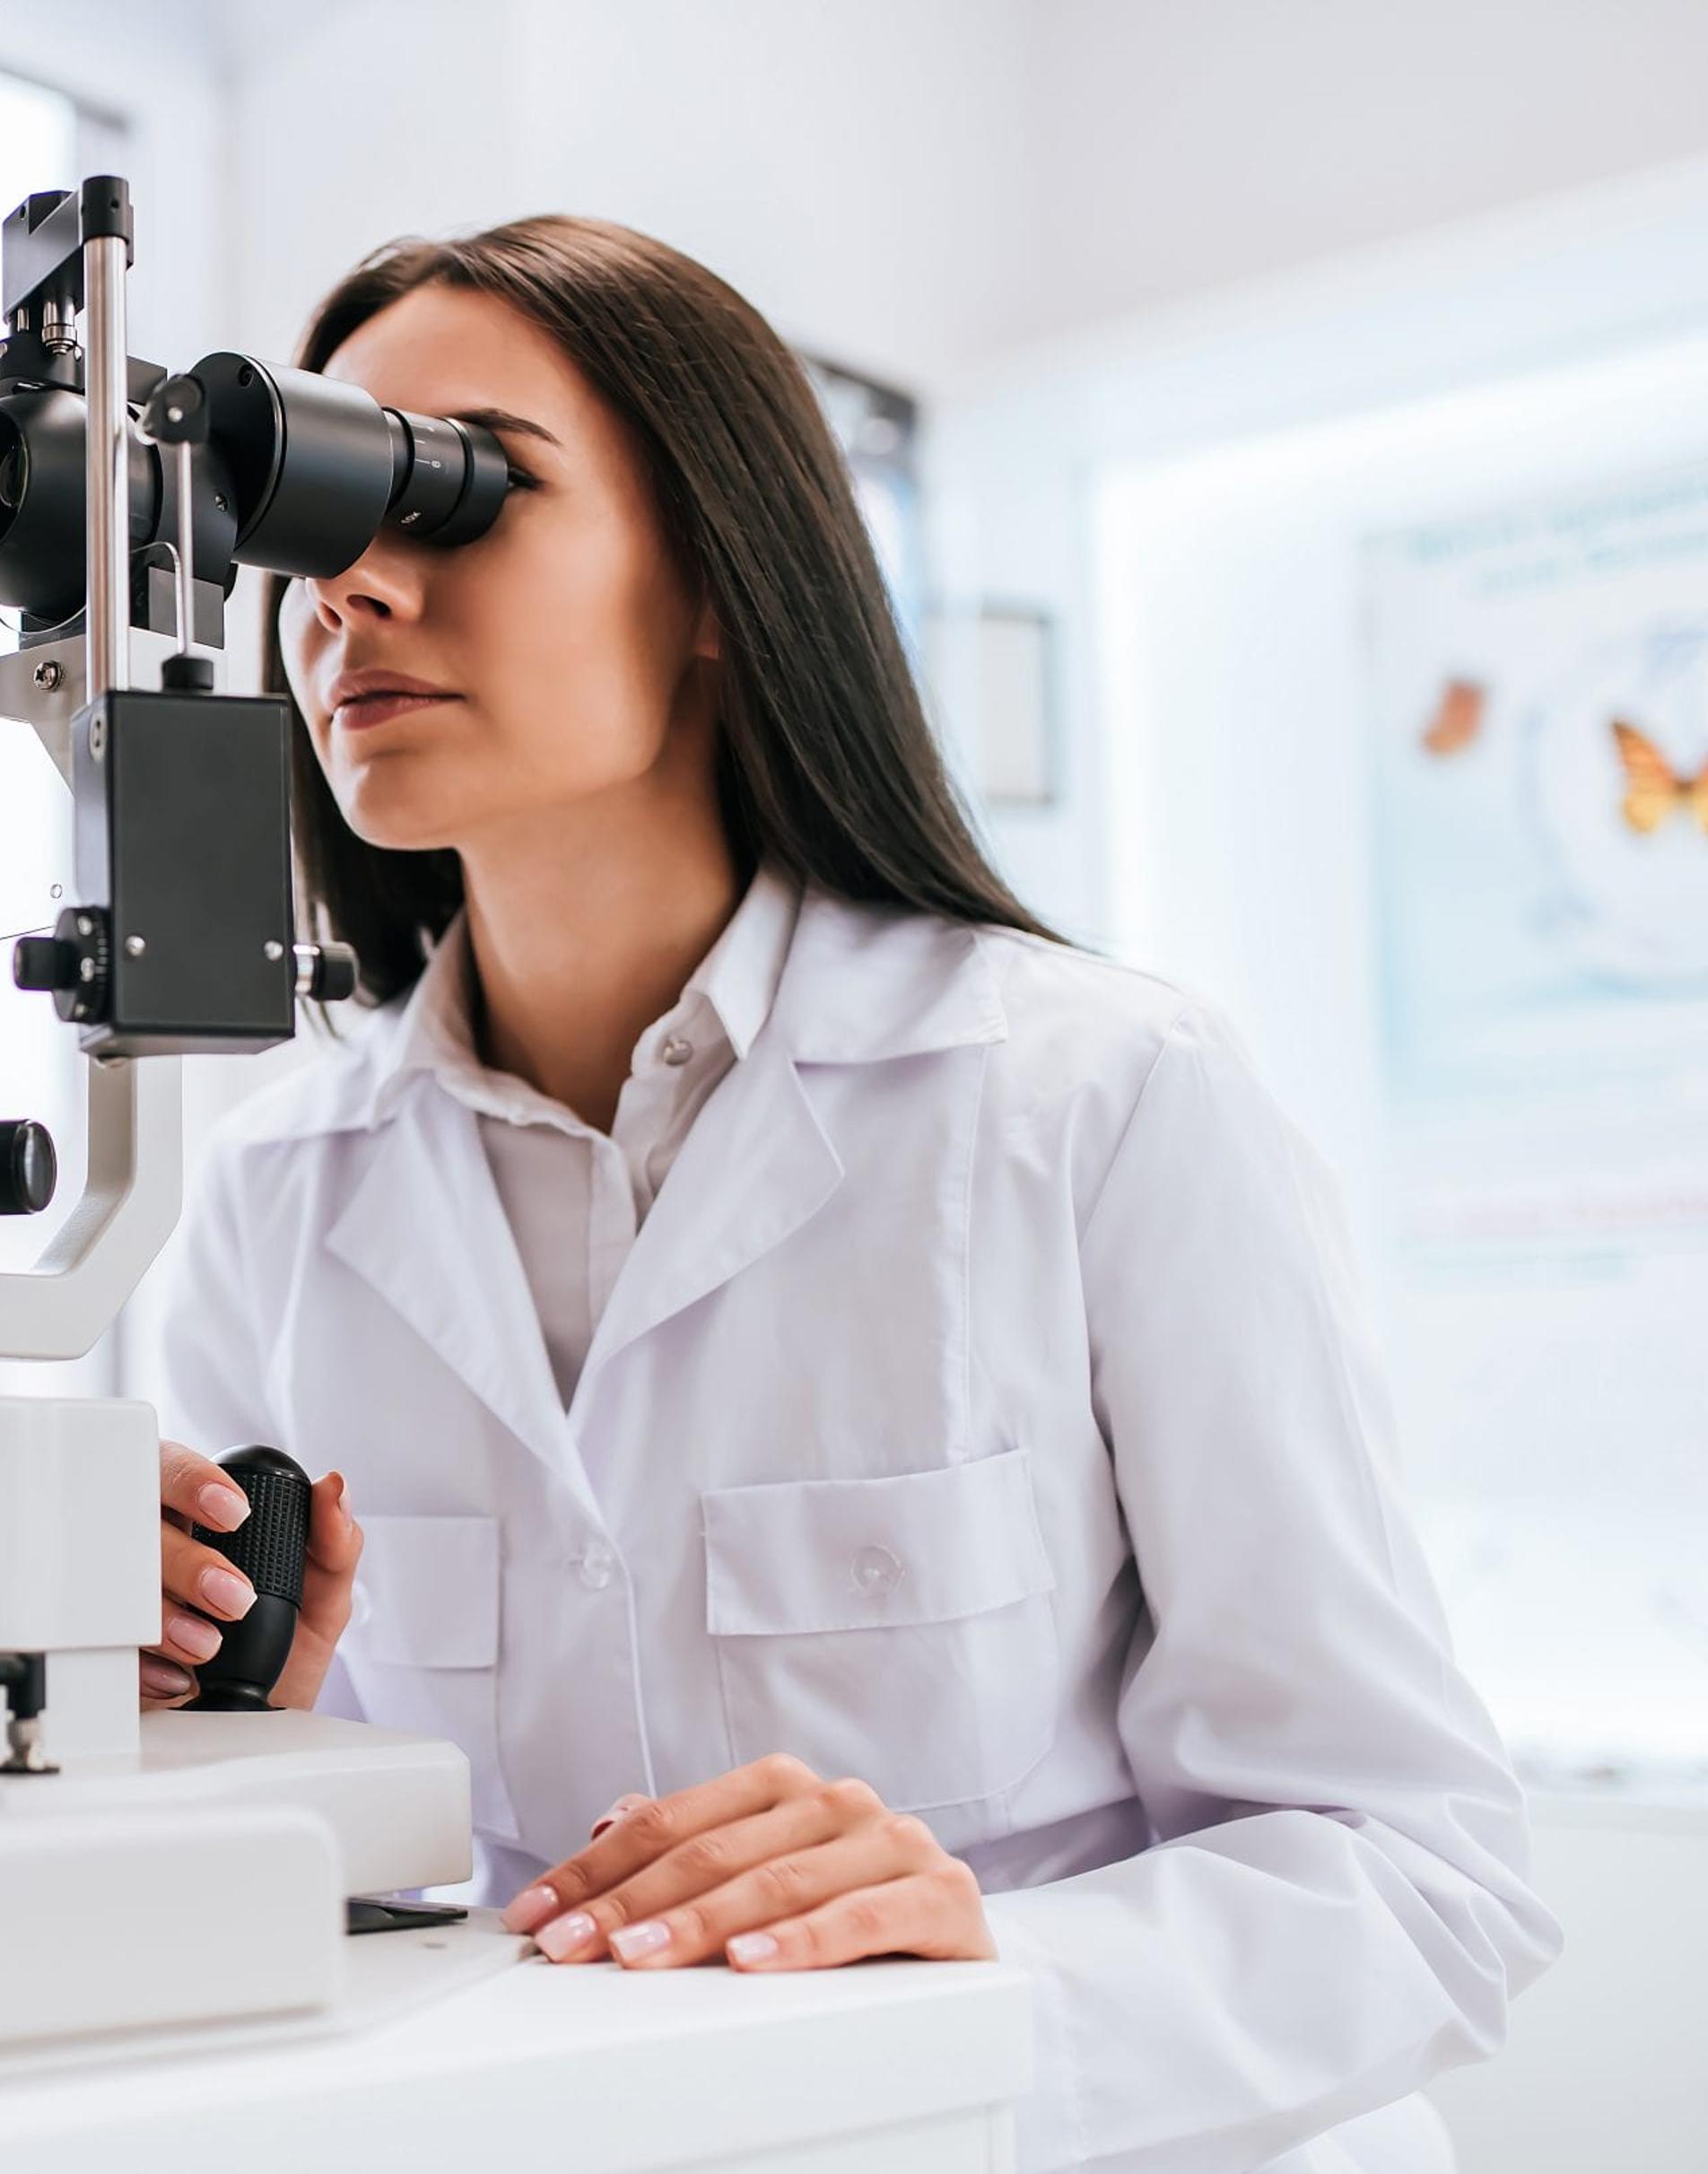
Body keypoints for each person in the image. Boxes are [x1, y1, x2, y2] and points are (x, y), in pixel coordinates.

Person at [142, 215, 1556, 2172]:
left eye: (454, 489)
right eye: (318, 511)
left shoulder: (1102, 1104)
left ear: (721, 574)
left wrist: (984, 1972)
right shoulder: (264, 1200)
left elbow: (1422, 1877)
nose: (356, 584)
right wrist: (195, 1740)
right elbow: (351, 1904)